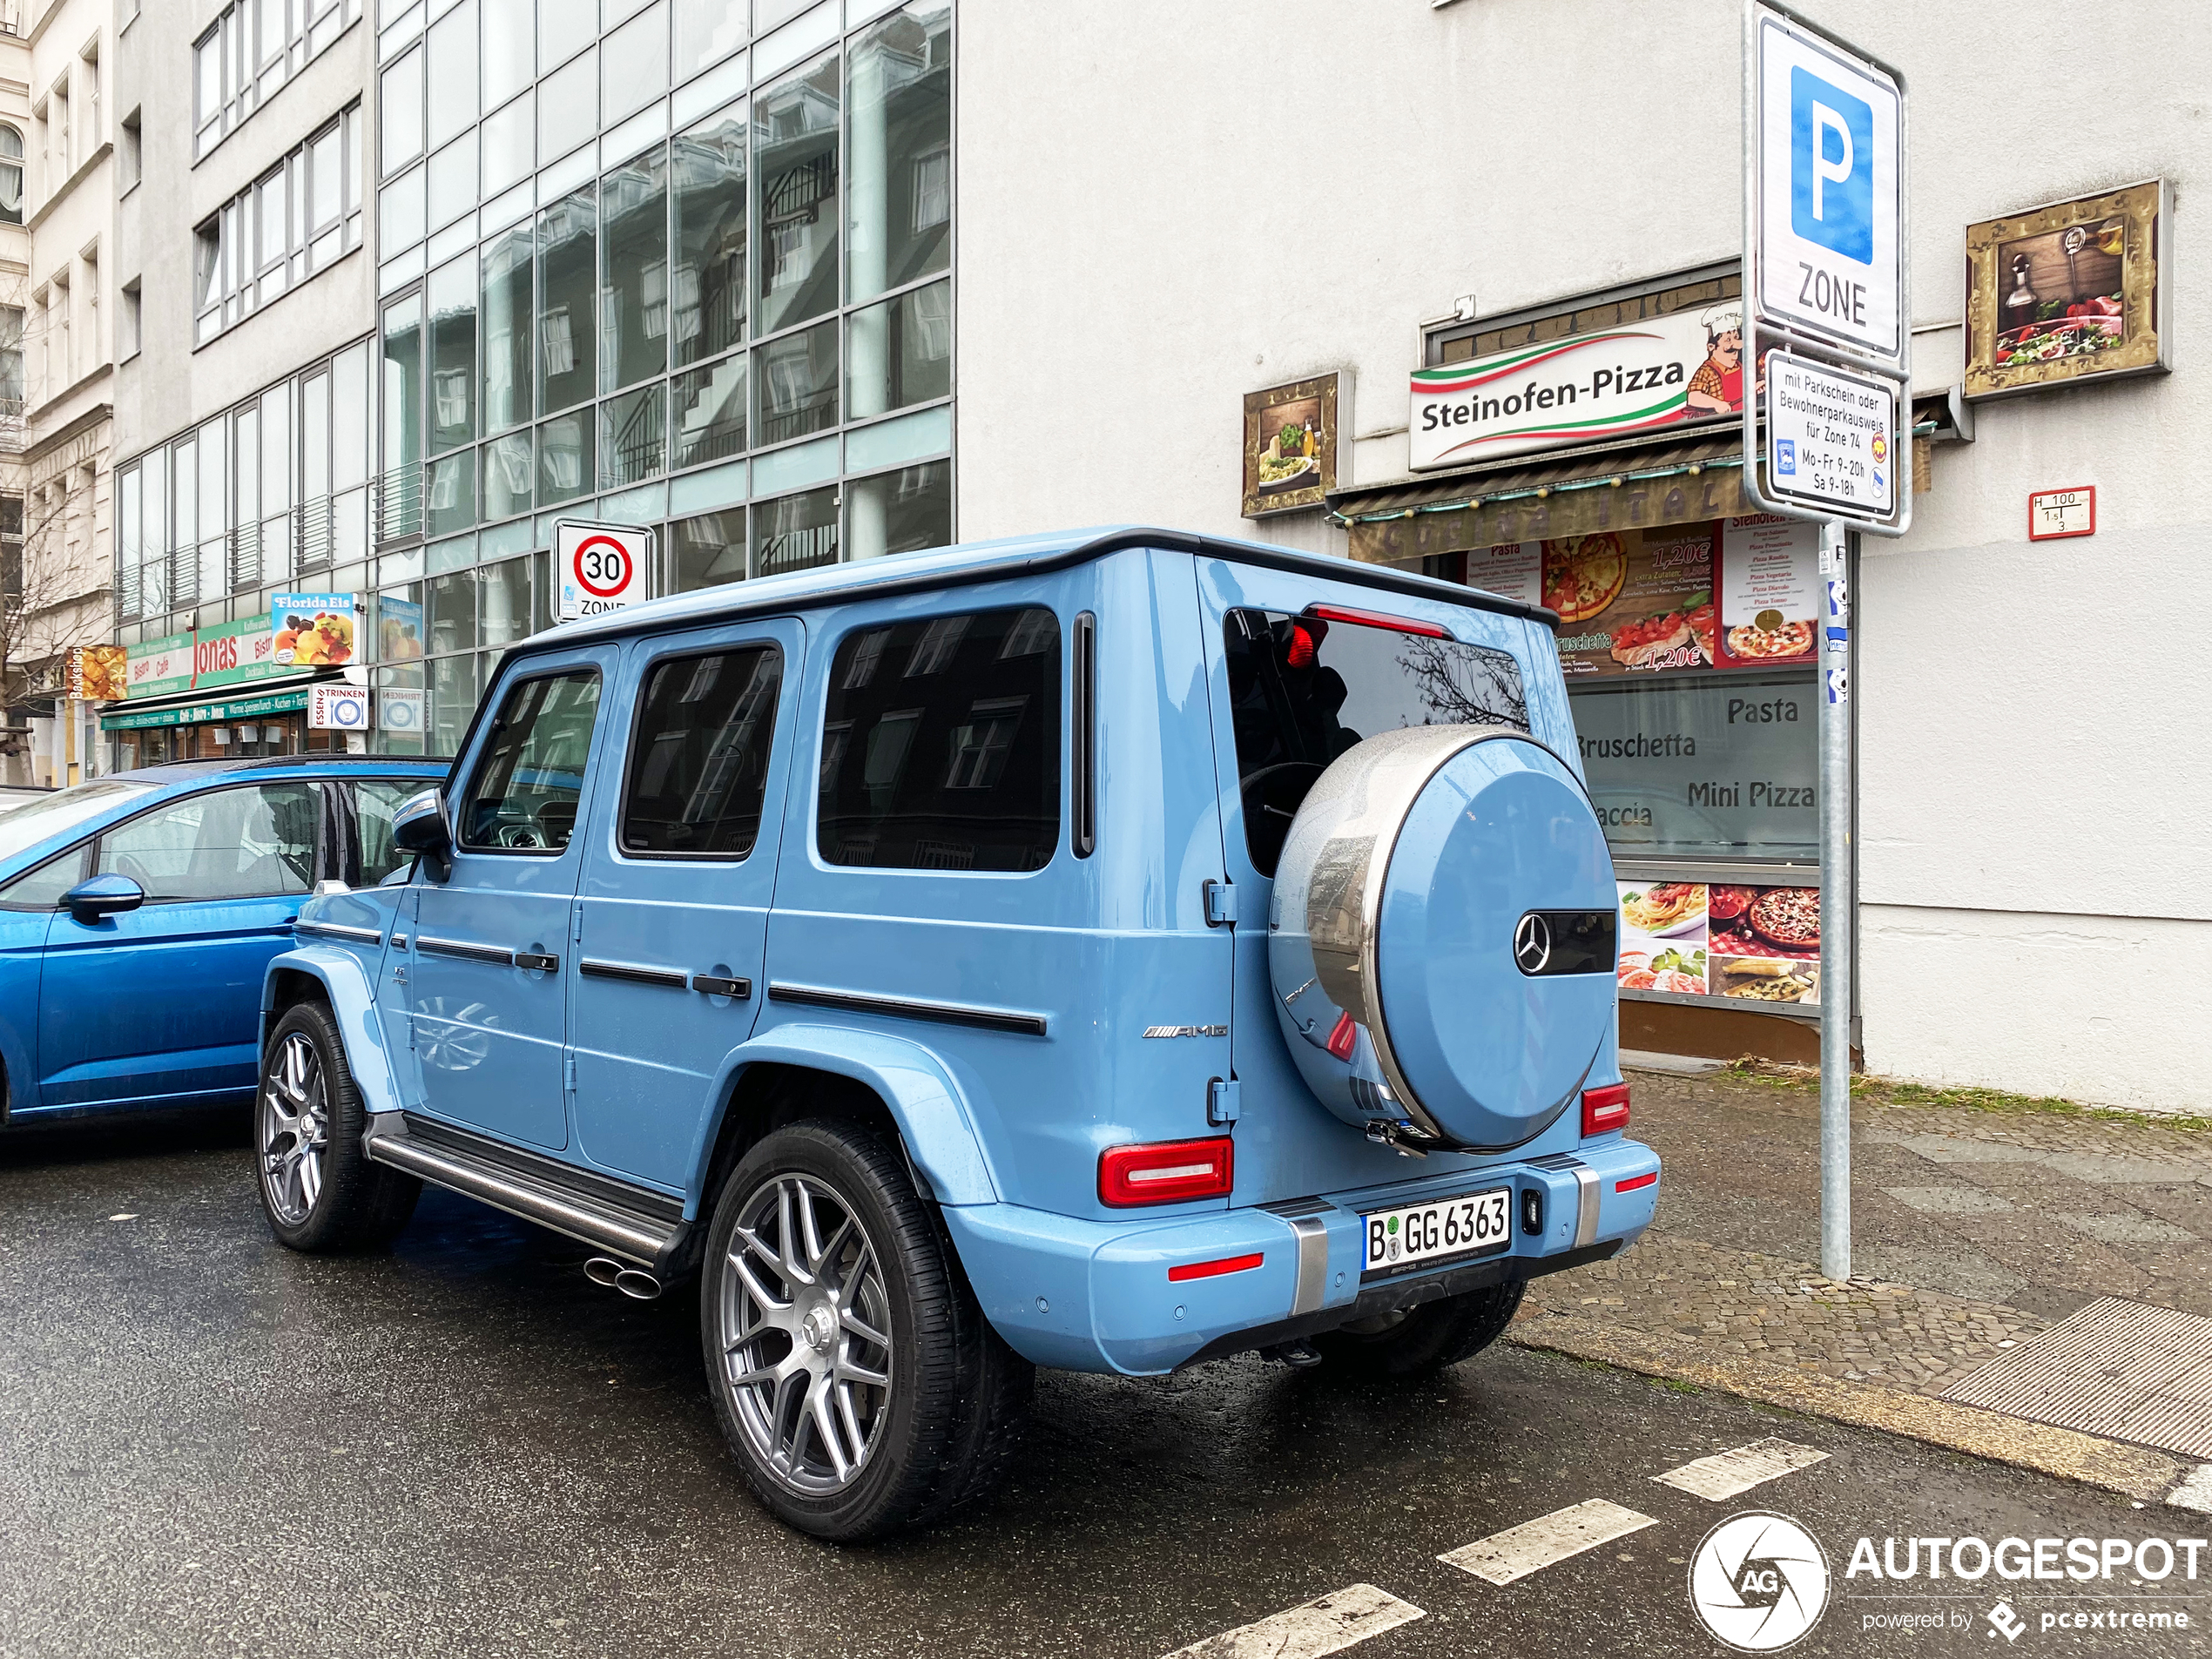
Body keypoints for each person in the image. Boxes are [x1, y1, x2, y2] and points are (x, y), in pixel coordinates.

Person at [1685, 302, 1762, 417]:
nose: (1736, 345)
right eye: (1728, 340)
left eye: (1736, 338)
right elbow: (1693, 397)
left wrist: (1755, 388)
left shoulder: (1740, 366)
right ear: (1712, 347)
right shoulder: (1707, 371)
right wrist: (1717, 404)